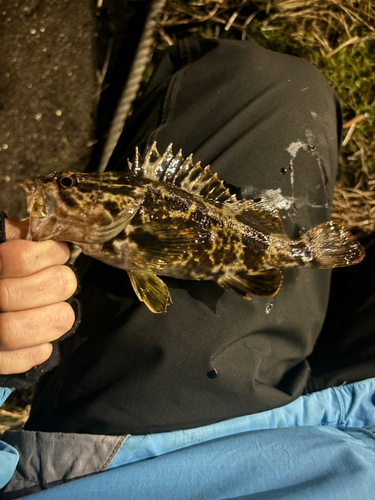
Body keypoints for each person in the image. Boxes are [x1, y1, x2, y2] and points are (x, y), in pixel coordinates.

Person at [0, 38, 374, 499]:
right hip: (224, 449)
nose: (58, 187)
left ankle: (310, 258)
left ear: (114, 201)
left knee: (270, 77)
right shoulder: (121, 219)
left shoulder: (135, 215)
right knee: (285, 80)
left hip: (138, 448)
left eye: (69, 183)